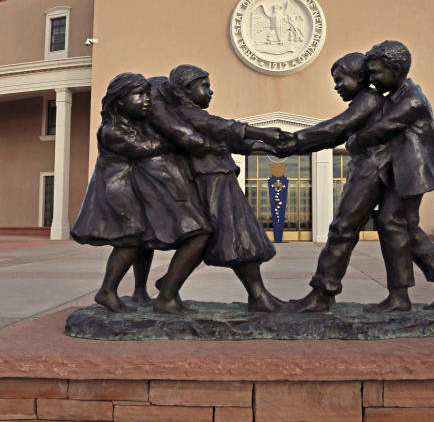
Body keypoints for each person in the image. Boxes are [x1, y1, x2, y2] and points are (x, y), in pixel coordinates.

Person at [279, 52, 434, 312]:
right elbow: (338, 133)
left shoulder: (400, 100)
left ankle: (325, 293)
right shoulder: (384, 98)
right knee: (398, 225)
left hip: (400, 170)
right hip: (393, 169)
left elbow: (349, 129)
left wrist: (295, 141)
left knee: (349, 226)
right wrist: (297, 145)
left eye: (341, 79)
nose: (373, 79)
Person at [149, 64, 288, 312]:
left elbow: (225, 138)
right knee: (239, 234)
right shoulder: (188, 113)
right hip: (212, 180)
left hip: (217, 177)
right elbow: (221, 127)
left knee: (220, 238)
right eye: (205, 86)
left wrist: (257, 145)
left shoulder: (191, 115)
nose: (210, 92)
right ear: (186, 90)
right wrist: (261, 133)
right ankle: (256, 296)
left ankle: (169, 288)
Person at [70, 72, 211, 315]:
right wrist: (173, 136)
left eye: (147, 94)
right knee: (131, 239)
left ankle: (139, 290)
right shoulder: (111, 130)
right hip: (119, 192)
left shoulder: (134, 124)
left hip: (133, 189)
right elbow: (145, 149)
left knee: (142, 240)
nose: (146, 100)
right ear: (119, 101)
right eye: (139, 95)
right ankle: (107, 291)